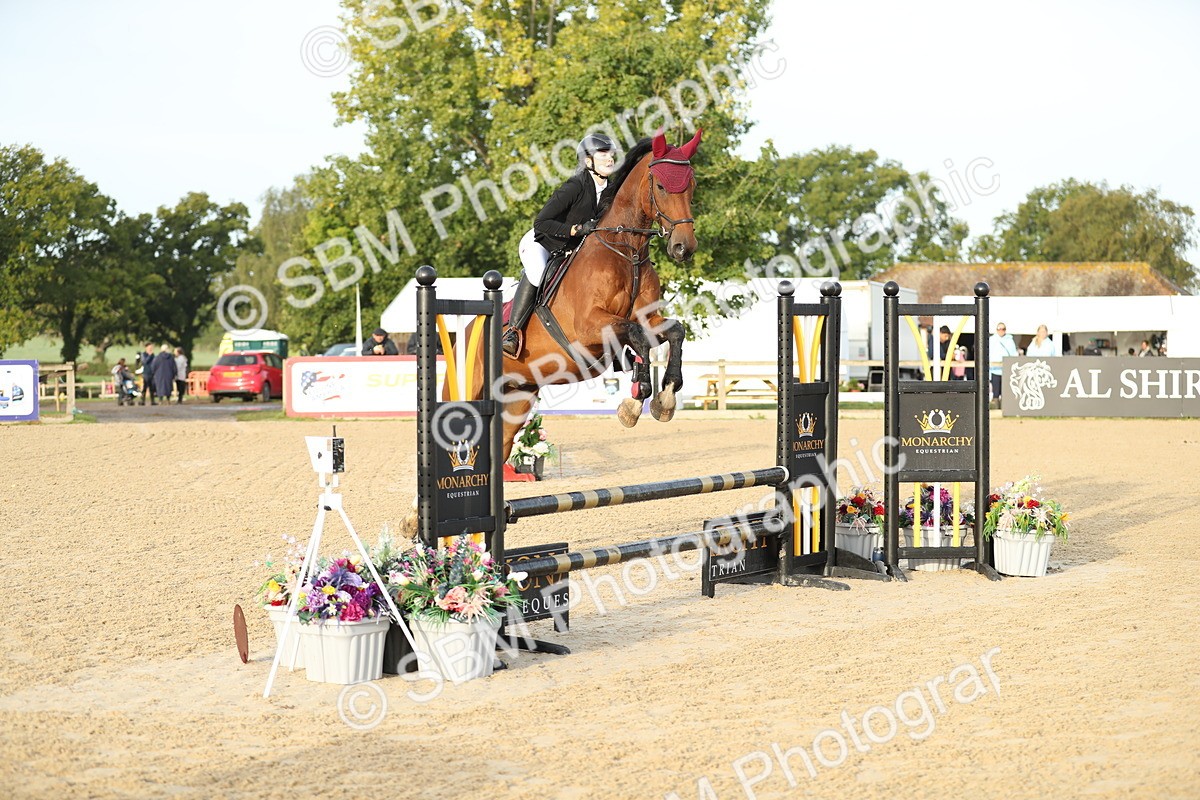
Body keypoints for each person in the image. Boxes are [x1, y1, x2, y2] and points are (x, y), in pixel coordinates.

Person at [502, 132, 619, 357]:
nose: (610, 158)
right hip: (542, 242)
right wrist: (575, 229)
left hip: (572, 250)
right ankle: (513, 332)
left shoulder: (611, 191)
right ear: (588, 161)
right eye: (603, 154)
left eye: (611, 154)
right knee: (538, 274)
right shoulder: (575, 186)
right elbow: (541, 222)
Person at [989, 322, 1020, 403]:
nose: (1001, 331)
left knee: (1005, 391)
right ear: (996, 330)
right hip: (994, 369)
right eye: (999, 329)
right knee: (995, 391)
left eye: (1003, 329)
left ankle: (1005, 405)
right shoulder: (992, 340)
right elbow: (989, 353)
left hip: (1006, 369)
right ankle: (995, 405)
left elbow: (1013, 354)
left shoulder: (1010, 340)